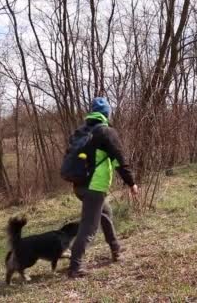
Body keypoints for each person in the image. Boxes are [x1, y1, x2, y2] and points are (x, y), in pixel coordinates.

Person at [68, 97, 139, 278]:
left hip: (78, 185)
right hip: (94, 186)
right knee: (89, 227)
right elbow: (119, 160)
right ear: (107, 113)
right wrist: (131, 183)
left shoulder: (80, 132)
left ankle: (116, 249)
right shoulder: (106, 132)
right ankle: (75, 266)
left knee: (105, 213)